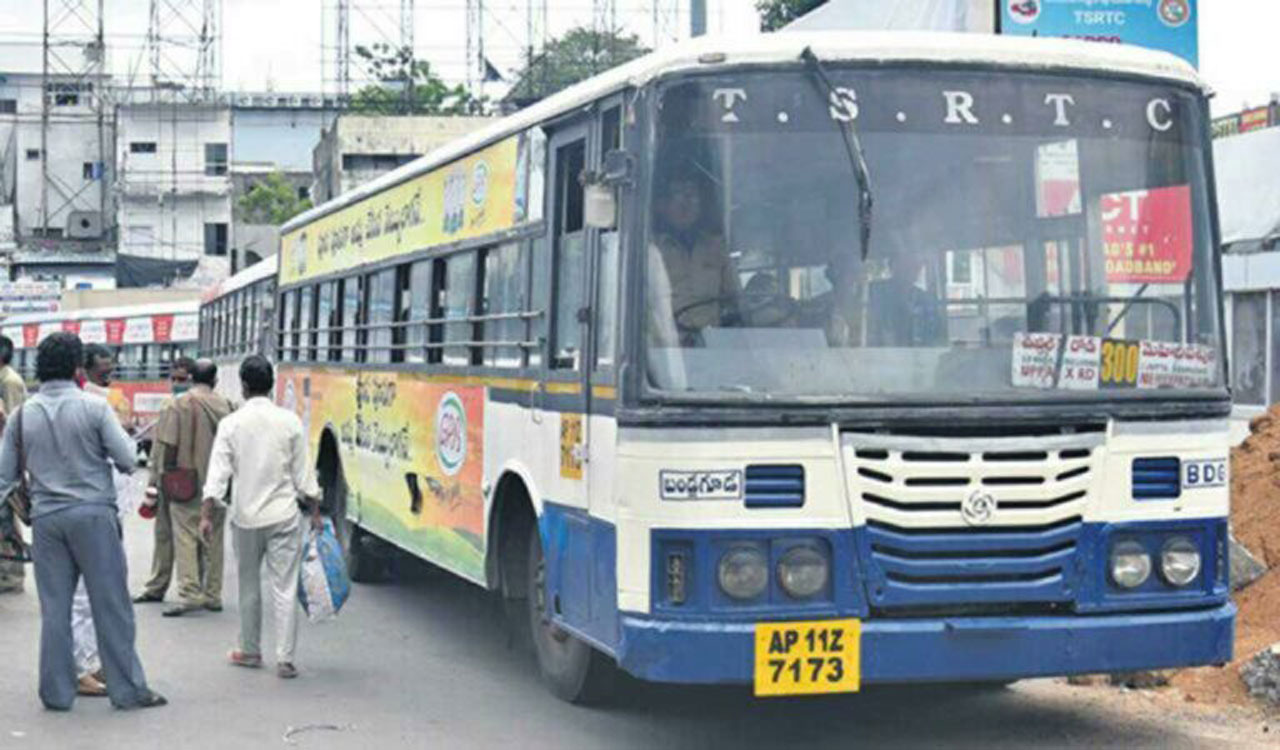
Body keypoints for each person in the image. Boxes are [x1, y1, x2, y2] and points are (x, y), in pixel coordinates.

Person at [0, 332, 165, 710]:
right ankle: (128, 690)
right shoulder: (94, 408)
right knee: (111, 606)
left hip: (46, 521)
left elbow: (5, 476)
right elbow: (126, 459)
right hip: (93, 517)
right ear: (77, 367)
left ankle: (57, 694)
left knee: (55, 610)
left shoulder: (23, 415)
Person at [201, 355, 320, 679]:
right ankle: (285, 658)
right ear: (272, 385)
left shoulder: (232, 424)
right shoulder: (290, 421)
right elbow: (304, 476)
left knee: (249, 585)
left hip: (246, 518)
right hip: (284, 515)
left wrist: (207, 515)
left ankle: (250, 650)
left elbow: (217, 475)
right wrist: (317, 511)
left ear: (243, 384)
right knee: (285, 586)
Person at [148, 359, 232, 617]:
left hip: (187, 480)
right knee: (214, 538)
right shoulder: (227, 405)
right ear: (215, 381)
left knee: (185, 535)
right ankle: (213, 594)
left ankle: (189, 592)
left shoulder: (180, 404)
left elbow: (169, 444)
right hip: (218, 483)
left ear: (191, 378)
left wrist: (168, 474)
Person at [647, 167, 739, 344]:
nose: (685, 203)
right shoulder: (649, 250)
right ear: (662, 205)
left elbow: (733, 299)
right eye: (677, 195)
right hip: (664, 352)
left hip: (711, 346)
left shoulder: (716, 248)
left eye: (692, 195)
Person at [134, 355, 198, 604]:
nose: (176, 383)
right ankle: (157, 585)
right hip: (169, 478)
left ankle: (187, 590)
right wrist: (152, 481)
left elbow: (166, 448)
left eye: (182, 379)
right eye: (173, 378)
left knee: (184, 538)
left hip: (180, 477)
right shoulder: (169, 405)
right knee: (163, 535)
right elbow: (157, 450)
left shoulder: (187, 406)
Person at [866, 251, 946, 347]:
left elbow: (938, 338)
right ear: (892, 266)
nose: (912, 269)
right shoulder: (872, 292)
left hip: (918, 358)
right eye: (906, 264)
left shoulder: (927, 300)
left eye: (916, 265)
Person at [0, 334, 28, 595]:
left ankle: (12, 576)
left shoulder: (9, 382)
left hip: (5, 463)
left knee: (6, 517)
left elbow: (13, 426)